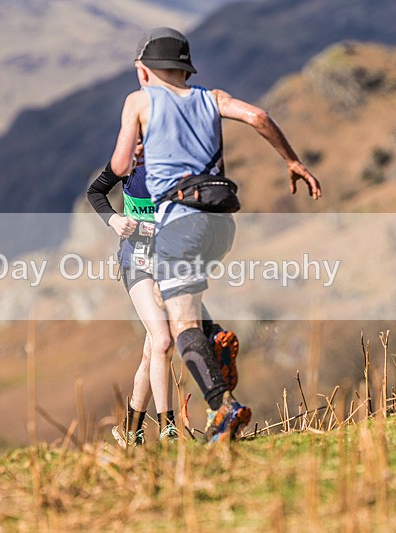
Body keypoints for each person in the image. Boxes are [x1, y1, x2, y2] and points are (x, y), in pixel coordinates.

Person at [110, 27, 322, 442]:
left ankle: (224, 408)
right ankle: (215, 337)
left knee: (181, 325)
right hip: (220, 224)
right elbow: (259, 117)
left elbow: (119, 168)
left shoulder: (139, 101)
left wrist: (138, 152)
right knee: (180, 304)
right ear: (186, 70)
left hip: (179, 223)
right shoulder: (213, 98)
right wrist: (292, 161)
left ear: (144, 71)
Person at [87, 148, 177, 446]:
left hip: (170, 262)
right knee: (164, 339)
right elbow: (96, 191)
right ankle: (168, 428)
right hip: (136, 260)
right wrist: (113, 220)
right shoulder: (126, 161)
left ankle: (131, 428)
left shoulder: (180, 160)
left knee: (153, 351)